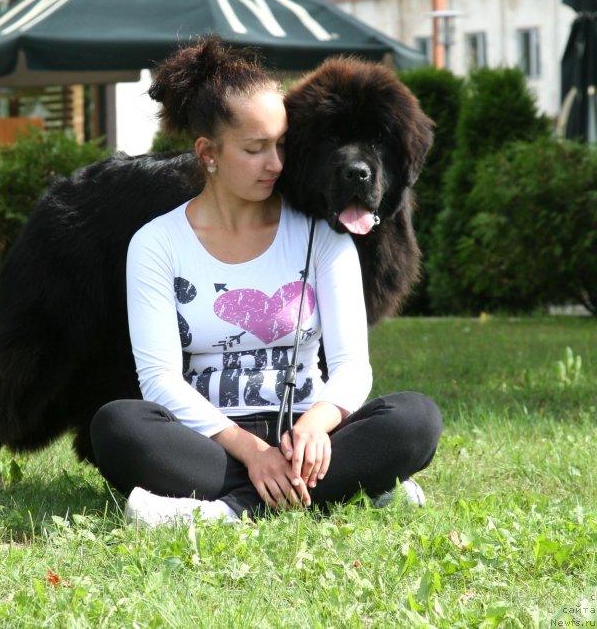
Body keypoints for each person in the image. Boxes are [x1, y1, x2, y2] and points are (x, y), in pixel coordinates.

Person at [90, 38, 442, 526]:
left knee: (416, 419)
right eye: (256, 149)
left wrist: (316, 427)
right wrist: (254, 453)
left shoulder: (323, 233)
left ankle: (223, 512)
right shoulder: (156, 243)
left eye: (281, 145)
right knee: (116, 426)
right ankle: (346, 490)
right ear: (208, 153)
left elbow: (352, 369)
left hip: (309, 436)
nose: (276, 164)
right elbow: (160, 382)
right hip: (209, 439)